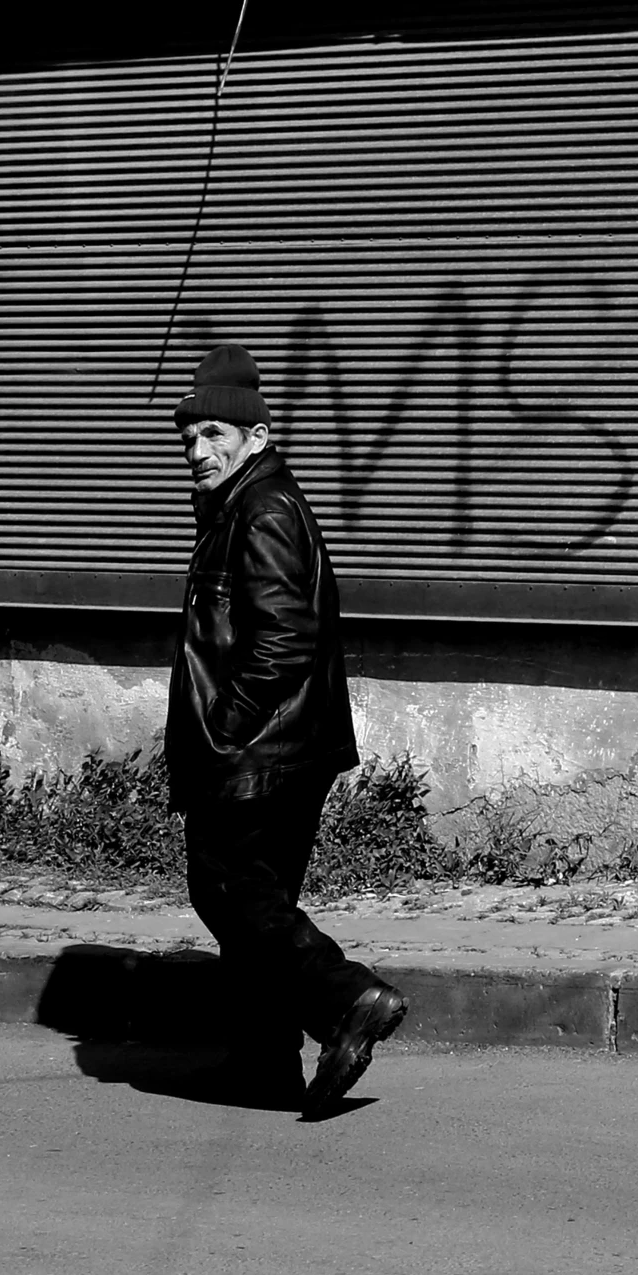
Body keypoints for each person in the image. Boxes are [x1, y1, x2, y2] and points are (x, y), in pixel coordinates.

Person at [166, 343, 408, 1119]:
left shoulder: (263, 510)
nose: (198, 451)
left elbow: (282, 639)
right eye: (190, 436)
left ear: (257, 437)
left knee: (235, 893)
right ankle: (262, 1063)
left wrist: (224, 725)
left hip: (262, 749)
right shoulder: (240, 506)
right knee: (254, 902)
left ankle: (347, 1000)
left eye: (214, 435)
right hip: (275, 745)